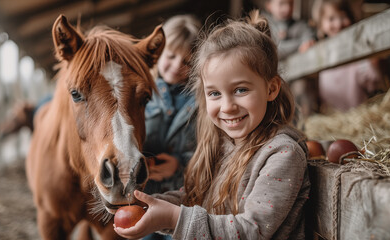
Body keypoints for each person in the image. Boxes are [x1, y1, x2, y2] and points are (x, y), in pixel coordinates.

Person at [114, 10, 310, 240]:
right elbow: (197, 198)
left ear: (271, 88)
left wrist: (173, 218)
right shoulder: (223, 145)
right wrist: (153, 204)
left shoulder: (282, 154)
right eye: (215, 93)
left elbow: (251, 231)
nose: (227, 106)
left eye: (240, 90)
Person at [141, 14, 201, 240]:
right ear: (157, 53)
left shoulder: (200, 101)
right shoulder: (141, 93)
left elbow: (205, 148)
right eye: (171, 56)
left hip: (184, 199)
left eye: (186, 62)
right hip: (143, 197)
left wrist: (179, 164)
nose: (177, 66)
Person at [311, 0, 386, 112]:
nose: (338, 24)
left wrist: (373, 63)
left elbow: (373, 81)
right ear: (321, 25)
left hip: (357, 113)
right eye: (331, 19)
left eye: (343, 17)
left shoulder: (359, 48)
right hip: (330, 116)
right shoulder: (319, 51)